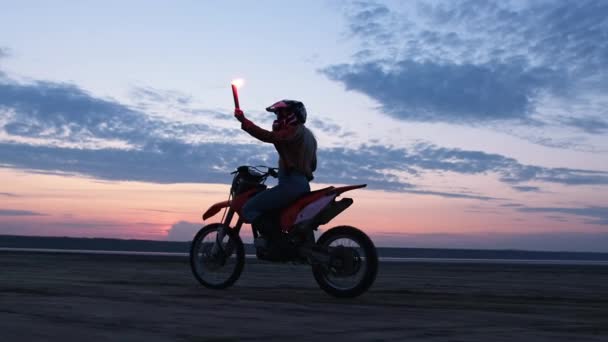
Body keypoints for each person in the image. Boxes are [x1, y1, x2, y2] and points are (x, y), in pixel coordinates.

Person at [234, 100, 317, 234]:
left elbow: (268, 136)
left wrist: (243, 120)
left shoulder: (292, 131)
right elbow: (312, 166)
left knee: (248, 208)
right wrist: (285, 170)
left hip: (290, 186)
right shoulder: (309, 137)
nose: (278, 118)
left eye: (281, 114)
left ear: (292, 115)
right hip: (303, 186)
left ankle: (276, 242)